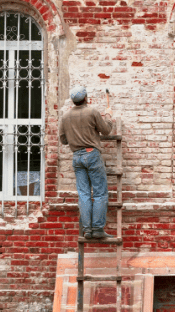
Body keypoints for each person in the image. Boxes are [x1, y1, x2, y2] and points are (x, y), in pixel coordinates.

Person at [59, 86, 114, 239]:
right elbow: (106, 130)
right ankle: (97, 228)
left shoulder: (65, 116)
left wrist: (75, 135)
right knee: (99, 193)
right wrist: (108, 116)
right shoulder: (92, 111)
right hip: (92, 154)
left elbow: (63, 140)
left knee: (83, 194)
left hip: (76, 156)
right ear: (86, 98)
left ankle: (87, 230)